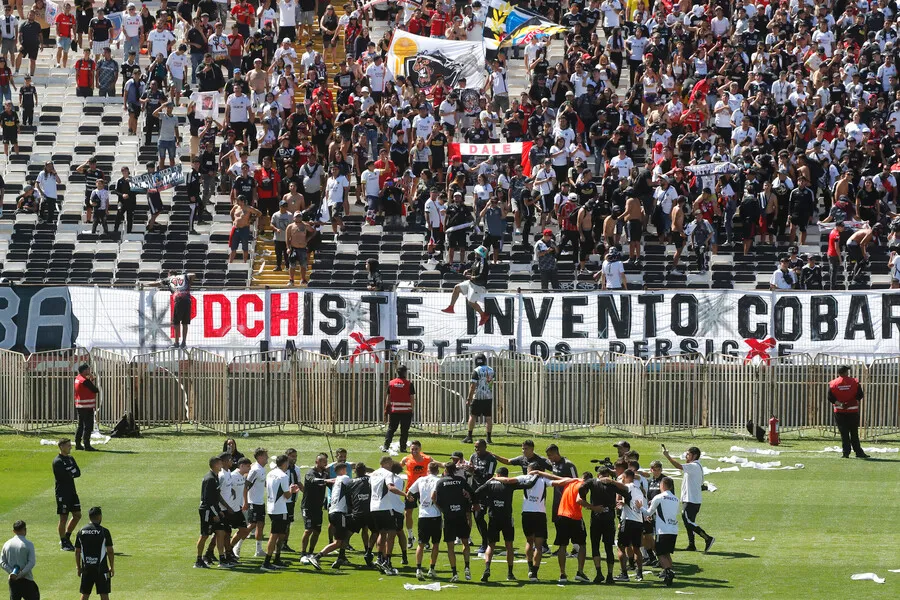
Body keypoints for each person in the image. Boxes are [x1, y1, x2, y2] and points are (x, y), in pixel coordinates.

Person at [492, 461, 549, 582]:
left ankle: (530, 568)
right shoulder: (544, 479)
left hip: (527, 513)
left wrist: (494, 478)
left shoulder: (524, 477)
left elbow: (508, 480)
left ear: (530, 469)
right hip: (540, 514)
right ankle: (534, 573)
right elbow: (559, 482)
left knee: (529, 541)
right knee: (539, 545)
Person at [579, 466, 630, 584]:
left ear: (598, 475)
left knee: (595, 546)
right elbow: (626, 491)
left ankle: (599, 573)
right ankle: (610, 575)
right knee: (608, 548)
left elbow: (581, 488)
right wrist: (622, 501)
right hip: (609, 517)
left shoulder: (593, 482)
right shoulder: (611, 484)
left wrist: (587, 502)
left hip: (596, 517)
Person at [662, 445, 715, 553]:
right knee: (689, 523)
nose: (686, 456)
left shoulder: (693, 466)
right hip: (693, 499)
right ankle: (692, 545)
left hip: (691, 500)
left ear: (694, 456)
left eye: (688, 454)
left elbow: (678, 466)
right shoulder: (696, 466)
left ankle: (708, 538)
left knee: (688, 521)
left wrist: (667, 456)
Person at [433, 462, 475, 583]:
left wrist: (443, 510)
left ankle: (454, 572)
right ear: (455, 470)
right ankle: (467, 566)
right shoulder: (460, 480)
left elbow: (437, 499)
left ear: (445, 470)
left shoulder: (440, 482)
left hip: (449, 517)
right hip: (461, 515)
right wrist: (469, 504)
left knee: (450, 546)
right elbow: (471, 492)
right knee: (465, 542)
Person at [472, 466, 515, 582]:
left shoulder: (490, 484)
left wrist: (475, 503)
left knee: (491, 545)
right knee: (509, 546)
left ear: (498, 475)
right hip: (506, 518)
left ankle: (487, 569)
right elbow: (526, 484)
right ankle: (510, 573)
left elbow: (476, 492)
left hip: (493, 518)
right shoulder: (510, 484)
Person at [369, 456, 409, 576]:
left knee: (381, 532)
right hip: (385, 507)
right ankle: (387, 560)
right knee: (391, 533)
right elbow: (391, 488)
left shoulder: (373, 474)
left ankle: (379, 558)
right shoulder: (388, 474)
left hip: (374, 507)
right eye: (390, 463)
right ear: (386, 463)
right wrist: (405, 494)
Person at [260, 454, 300, 571]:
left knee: (281, 534)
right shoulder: (283, 476)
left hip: (271, 507)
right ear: (284, 463)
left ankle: (277, 559)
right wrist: (292, 490)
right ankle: (267, 562)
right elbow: (287, 495)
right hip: (280, 509)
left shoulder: (270, 473)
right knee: (274, 535)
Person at [310, 462, 352, 568]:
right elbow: (354, 484)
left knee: (345, 535)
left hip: (332, 512)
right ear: (342, 470)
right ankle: (316, 557)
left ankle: (341, 557)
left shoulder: (336, 481)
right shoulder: (344, 478)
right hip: (339, 513)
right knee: (338, 542)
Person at [641, 476, 679, 587]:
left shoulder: (659, 497)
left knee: (660, 553)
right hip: (673, 529)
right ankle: (668, 573)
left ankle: (668, 572)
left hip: (663, 530)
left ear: (662, 485)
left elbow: (648, 512)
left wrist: (640, 507)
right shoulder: (676, 499)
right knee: (667, 553)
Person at [441, 245, 490, 326]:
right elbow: (473, 268)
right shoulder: (478, 260)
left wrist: (472, 277)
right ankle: (451, 307)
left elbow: (482, 276)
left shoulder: (483, 263)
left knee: (471, 302)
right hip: (472, 282)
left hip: (478, 286)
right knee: (457, 288)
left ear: (481, 254)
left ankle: (483, 314)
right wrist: (468, 270)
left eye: (477, 252)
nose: (475, 253)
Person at [195, 456, 230, 569]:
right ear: (215, 465)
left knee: (220, 532)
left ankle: (222, 559)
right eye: (220, 463)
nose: (222, 465)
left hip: (214, 510)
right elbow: (208, 500)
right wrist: (215, 514)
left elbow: (215, 497)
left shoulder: (215, 477)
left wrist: (219, 511)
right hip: (207, 511)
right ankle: (199, 560)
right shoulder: (210, 479)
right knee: (204, 535)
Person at [828, 366, 870, 459]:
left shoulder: (833, 383)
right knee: (854, 432)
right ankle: (858, 452)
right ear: (846, 372)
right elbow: (860, 395)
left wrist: (841, 404)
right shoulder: (854, 382)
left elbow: (830, 397)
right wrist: (850, 402)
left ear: (838, 373)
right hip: (852, 410)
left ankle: (845, 453)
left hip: (839, 411)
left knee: (844, 433)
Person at [409, 461, 442, 580]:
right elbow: (436, 496)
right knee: (436, 544)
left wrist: (412, 498)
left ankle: (418, 569)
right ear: (437, 471)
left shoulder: (420, 480)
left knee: (421, 544)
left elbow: (409, 492)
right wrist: (441, 508)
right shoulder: (438, 480)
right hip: (435, 515)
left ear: (427, 470)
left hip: (422, 515)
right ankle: (431, 569)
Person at [74, 507, 114, 600]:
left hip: (87, 568)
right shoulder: (104, 531)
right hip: (101, 569)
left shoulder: (81, 531)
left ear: (89, 517)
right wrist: (112, 567)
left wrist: (79, 567)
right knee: (104, 594)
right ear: (100, 516)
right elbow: (110, 551)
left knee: (85, 594)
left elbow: (77, 551)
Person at [614, 468, 646, 582]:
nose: (622, 480)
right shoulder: (639, 490)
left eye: (623, 478)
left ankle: (624, 574)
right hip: (638, 521)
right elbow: (634, 502)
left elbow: (621, 488)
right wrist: (624, 502)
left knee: (621, 547)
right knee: (637, 549)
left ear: (627, 477)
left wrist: (611, 481)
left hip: (628, 521)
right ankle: (640, 574)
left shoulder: (629, 487)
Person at [400, 441, 431, 549]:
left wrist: (449, 466)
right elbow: (397, 468)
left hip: (423, 490)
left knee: (426, 513)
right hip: (410, 490)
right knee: (408, 513)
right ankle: (410, 536)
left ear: (420, 449)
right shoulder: (406, 459)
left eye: (416, 449)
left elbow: (437, 464)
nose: (414, 451)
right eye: (412, 449)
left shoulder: (426, 459)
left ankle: (425, 538)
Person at [299, 453, 328, 565]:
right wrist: (326, 481)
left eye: (325, 461)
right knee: (308, 530)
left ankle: (310, 553)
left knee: (317, 531)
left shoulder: (325, 473)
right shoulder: (310, 473)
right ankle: (303, 554)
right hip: (308, 506)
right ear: (317, 462)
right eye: (322, 461)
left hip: (318, 507)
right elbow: (313, 480)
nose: (324, 463)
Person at [53, 439, 81, 552]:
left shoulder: (70, 458)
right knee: (63, 517)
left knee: (77, 515)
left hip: (72, 492)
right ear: (61, 447)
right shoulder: (57, 461)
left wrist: (70, 472)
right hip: (62, 493)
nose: (70, 447)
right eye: (68, 445)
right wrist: (71, 472)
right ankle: (63, 542)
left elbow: (77, 473)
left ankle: (67, 537)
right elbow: (64, 476)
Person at [381, 364, 415, 453]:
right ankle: (403, 448)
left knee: (391, 429)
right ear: (405, 372)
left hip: (394, 410)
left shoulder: (391, 383)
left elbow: (388, 397)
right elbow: (412, 398)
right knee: (404, 430)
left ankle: (386, 446)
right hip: (406, 411)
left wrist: (386, 409)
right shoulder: (409, 384)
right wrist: (412, 409)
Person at [1, 520, 39, 600]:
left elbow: (2, 562)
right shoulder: (28, 544)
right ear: (25, 530)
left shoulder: (7, 544)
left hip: (13, 580)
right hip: (26, 580)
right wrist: (21, 574)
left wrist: (12, 572)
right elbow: (31, 562)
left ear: (13, 531)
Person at [463, 353, 494, 444]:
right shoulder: (491, 370)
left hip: (478, 397)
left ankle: (469, 436)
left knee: (472, 416)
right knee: (488, 417)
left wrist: (469, 398)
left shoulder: (476, 371)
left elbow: (473, 386)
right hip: (488, 396)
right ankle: (488, 438)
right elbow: (491, 383)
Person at [244, 448, 268, 558]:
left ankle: (259, 550)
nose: (267, 457)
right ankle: (236, 546)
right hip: (253, 502)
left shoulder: (262, 469)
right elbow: (246, 485)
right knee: (251, 525)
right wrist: (245, 502)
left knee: (260, 525)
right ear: (259, 457)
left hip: (260, 502)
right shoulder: (255, 470)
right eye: (265, 455)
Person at [73, 365, 99, 452]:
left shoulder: (78, 378)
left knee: (80, 425)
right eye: (88, 369)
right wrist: (91, 379)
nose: (89, 371)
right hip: (86, 406)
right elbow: (95, 389)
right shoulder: (84, 380)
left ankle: (78, 444)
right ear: (84, 371)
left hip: (80, 405)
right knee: (88, 426)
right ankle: (87, 445)